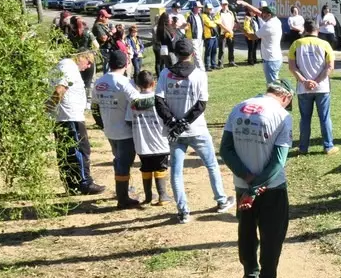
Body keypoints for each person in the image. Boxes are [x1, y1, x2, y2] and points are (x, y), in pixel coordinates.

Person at [219, 78, 297, 278]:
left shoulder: (238, 108)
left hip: (242, 185)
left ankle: (250, 275)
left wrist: (246, 179)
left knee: (246, 230)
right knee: (272, 234)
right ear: (286, 97)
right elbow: (277, 161)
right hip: (271, 187)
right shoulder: (282, 116)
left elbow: (226, 148)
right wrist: (256, 188)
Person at [155, 38, 235, 224]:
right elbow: (201, 104)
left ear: (175, 54)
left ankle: (183, 211)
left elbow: (158, 100)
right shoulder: (199, 74)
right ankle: (221, 201)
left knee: (176, 172)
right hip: (197, 129)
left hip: (175, 132)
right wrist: (184, 122)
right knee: (211, 165)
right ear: (192, 53)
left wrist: (173, 122)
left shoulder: (165, 73)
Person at [48, 51, 105, 196]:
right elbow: (60, 89)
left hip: (65, 117)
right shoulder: (68, 66)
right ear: (81, 57)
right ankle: (84, 182)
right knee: (80, 150)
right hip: (70, 117)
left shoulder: (64, 66)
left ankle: (71, 185)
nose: (88, 67)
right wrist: (48, 108)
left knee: (66, 152)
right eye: (89, 62)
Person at [91, 49, 141, 208]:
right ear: (126, 64)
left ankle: (124, 191)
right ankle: (123, 197)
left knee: (119, 160)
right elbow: (138, 102)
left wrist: (101, 123)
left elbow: (94, 107)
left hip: (109, 129)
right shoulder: (125, 83)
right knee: (124, 163)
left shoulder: (99, 82)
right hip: (125, 131)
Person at [289, 19, 337, 155]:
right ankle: (328, 146)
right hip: (322, 88)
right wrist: (316, 81)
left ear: (305, 29)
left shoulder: (296, 44)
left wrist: (304, 81)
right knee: (324, 117)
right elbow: (330, 67)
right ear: (318, 29)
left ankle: (303, 148)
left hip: (303, 88)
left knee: (305, 118)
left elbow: (292, 67)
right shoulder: (325, 44)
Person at [127, 70, 170, 206]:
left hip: (141, 143)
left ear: (137, 85)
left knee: (145, 168)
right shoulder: (160, 100)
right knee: (160, 168)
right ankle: (163, 196)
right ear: (154, 83)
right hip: (160, 142)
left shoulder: (133, 102)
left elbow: (128, 121)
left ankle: (148, 197)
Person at [238, 0, 284, 85]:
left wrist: (239, 28)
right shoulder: (276, 20)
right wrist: (246, 4)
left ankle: (276, 97)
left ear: (269, 15)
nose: (261, 14)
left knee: (273, 86)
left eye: (264, 13)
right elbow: (258, 13)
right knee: (275, 83)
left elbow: (252, 37)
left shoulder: (268, 26)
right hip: (275, 57)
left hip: (271, 59)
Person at [217, 0, 237, 67]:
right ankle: (220, 63)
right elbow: (220, 24)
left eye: (226, 4)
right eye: (223, 4)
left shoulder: (231, 13)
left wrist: (230, 29)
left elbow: (233, 21)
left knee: (231, 48)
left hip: (230, 33)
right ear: (221, 5)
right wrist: (228, 30)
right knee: (221, 49)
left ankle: (231, 61)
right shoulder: (219, 13)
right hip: (222, 33)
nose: (225, 6)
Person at [185, 2, 206, 69]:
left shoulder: (200, 15)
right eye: (198, 7)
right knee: (197, 55)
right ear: (194, 7)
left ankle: (195, 69)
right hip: (193, 38)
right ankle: (202, 69)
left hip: (200, 38)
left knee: (200, 54)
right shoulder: (189, 16)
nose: (200, 8)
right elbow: (186, 27)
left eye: (200, 7)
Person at [201, 4, 220, 71]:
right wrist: (215, 22)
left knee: (214, 51)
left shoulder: (211, 15)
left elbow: (219, 21)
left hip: (214, 36)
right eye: (209, 9)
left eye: (211, 9)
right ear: (205, 9)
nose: (210, 10)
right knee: (208, 52)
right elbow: (210, 24)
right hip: (208, 36)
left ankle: (213, 64)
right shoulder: (204, 16)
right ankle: (207, 65)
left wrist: (214, 22)